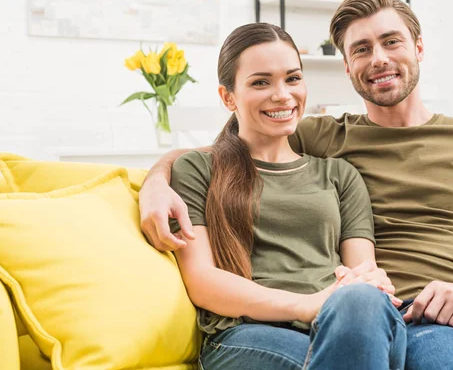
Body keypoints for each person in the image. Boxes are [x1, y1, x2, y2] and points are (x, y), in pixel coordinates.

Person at [140, 0, 453, 369]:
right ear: (346, 66)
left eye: (391, 41)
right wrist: (157, 182)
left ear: (418, 46)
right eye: (361, 49)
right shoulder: (324, 137)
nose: (378, 59)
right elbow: (229, 148)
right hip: (420, 321)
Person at [166, 22, 407, 370]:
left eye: (292, 78)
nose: (282, 95)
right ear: (227, 97)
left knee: (362, 302)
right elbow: (202, 280)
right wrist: (307, 305)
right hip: (250, 333)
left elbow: (360, 273)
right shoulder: (199, 169)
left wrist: (363, 290)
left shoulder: (339, 175)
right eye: (261, 82)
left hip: (345, 325)